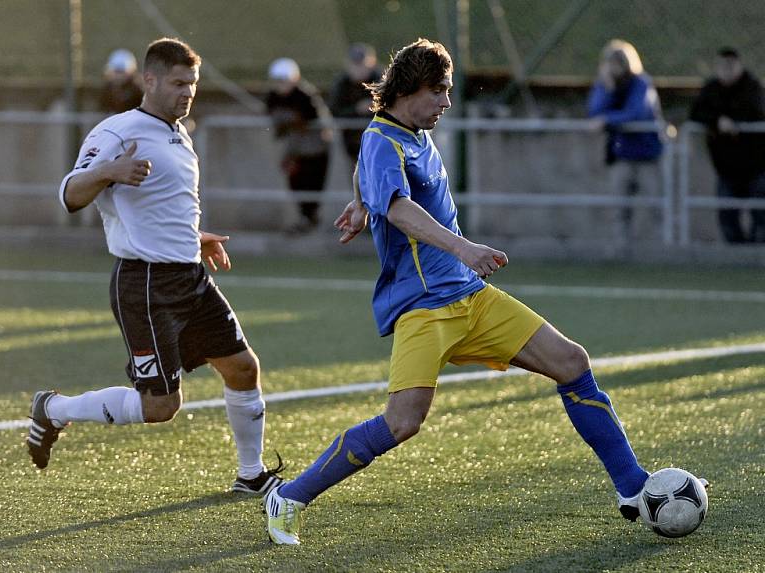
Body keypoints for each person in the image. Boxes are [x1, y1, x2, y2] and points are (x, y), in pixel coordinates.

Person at [265, 38, 654, 545]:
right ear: (410, 90)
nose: (448, 103)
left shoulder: (408, 132)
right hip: (425, 308)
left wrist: (361, 202)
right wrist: (463, 247)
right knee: (402, 423)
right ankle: (289, 496)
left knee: (572, 363)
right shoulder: (384, 138)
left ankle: (633, 488)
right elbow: (400, 206)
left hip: (470, 296)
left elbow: (376, 175)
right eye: (440, 92)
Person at [27, 38, 284, 497]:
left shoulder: (178, 132)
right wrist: (109, 172)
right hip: (145, 284)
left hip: (190, 276)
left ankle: (252, 475)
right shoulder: (117, 131)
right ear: (150, 80)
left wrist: (195, 238)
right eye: (179, 83)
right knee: (161, 406)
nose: (188, 92)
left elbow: (165, 204)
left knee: (244, 368)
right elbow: (68, 193)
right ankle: (55, 408)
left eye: (193, 84)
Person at [587, 40, 664, 246]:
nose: (614, 68)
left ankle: (665, 250)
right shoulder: (606, 84)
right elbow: (594, 112)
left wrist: (608, 120)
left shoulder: (641, 83)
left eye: (618, 63)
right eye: (610, 63)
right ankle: (620, 251)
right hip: (621, 155)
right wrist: (608, 90)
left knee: (657, 207)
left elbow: (636, 113)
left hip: (647, 156)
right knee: (619, 208)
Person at [689, 47, 765, 244]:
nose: (727, 71)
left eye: (731, 66)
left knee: (760, 213)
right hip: (726, 167)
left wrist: (734, 120)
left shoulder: (752, 87)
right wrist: (718, 121)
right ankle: (736, 253)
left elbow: (756, 111)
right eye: (722, 66)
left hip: (755, 166)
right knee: (727, 215)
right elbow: (696, 113)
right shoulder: (711, 89)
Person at [265, 57, 332, 233]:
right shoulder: (272, 97)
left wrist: (292, 123)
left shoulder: (306, 96)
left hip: (314, 150)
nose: (280, 85)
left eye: (284, 81)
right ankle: (304, 218)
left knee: (312, 185)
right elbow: (275, 123)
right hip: (294, 151)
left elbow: (314, 121)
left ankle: (309, 219)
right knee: (295, 184)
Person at [328, 43, 383, 165]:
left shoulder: (382, 80)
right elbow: (334, 110)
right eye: (355, 64)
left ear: (372, 62)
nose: (359, 68)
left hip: (382, 141)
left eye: (362, 64)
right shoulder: (342, 84)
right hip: (353, 144)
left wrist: (375, 106)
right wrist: (356, 109)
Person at [99, 49, 144, 114]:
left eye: (121, 72)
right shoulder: (107, 89)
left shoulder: (138, 89)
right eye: (116, 71)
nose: (118, 76)